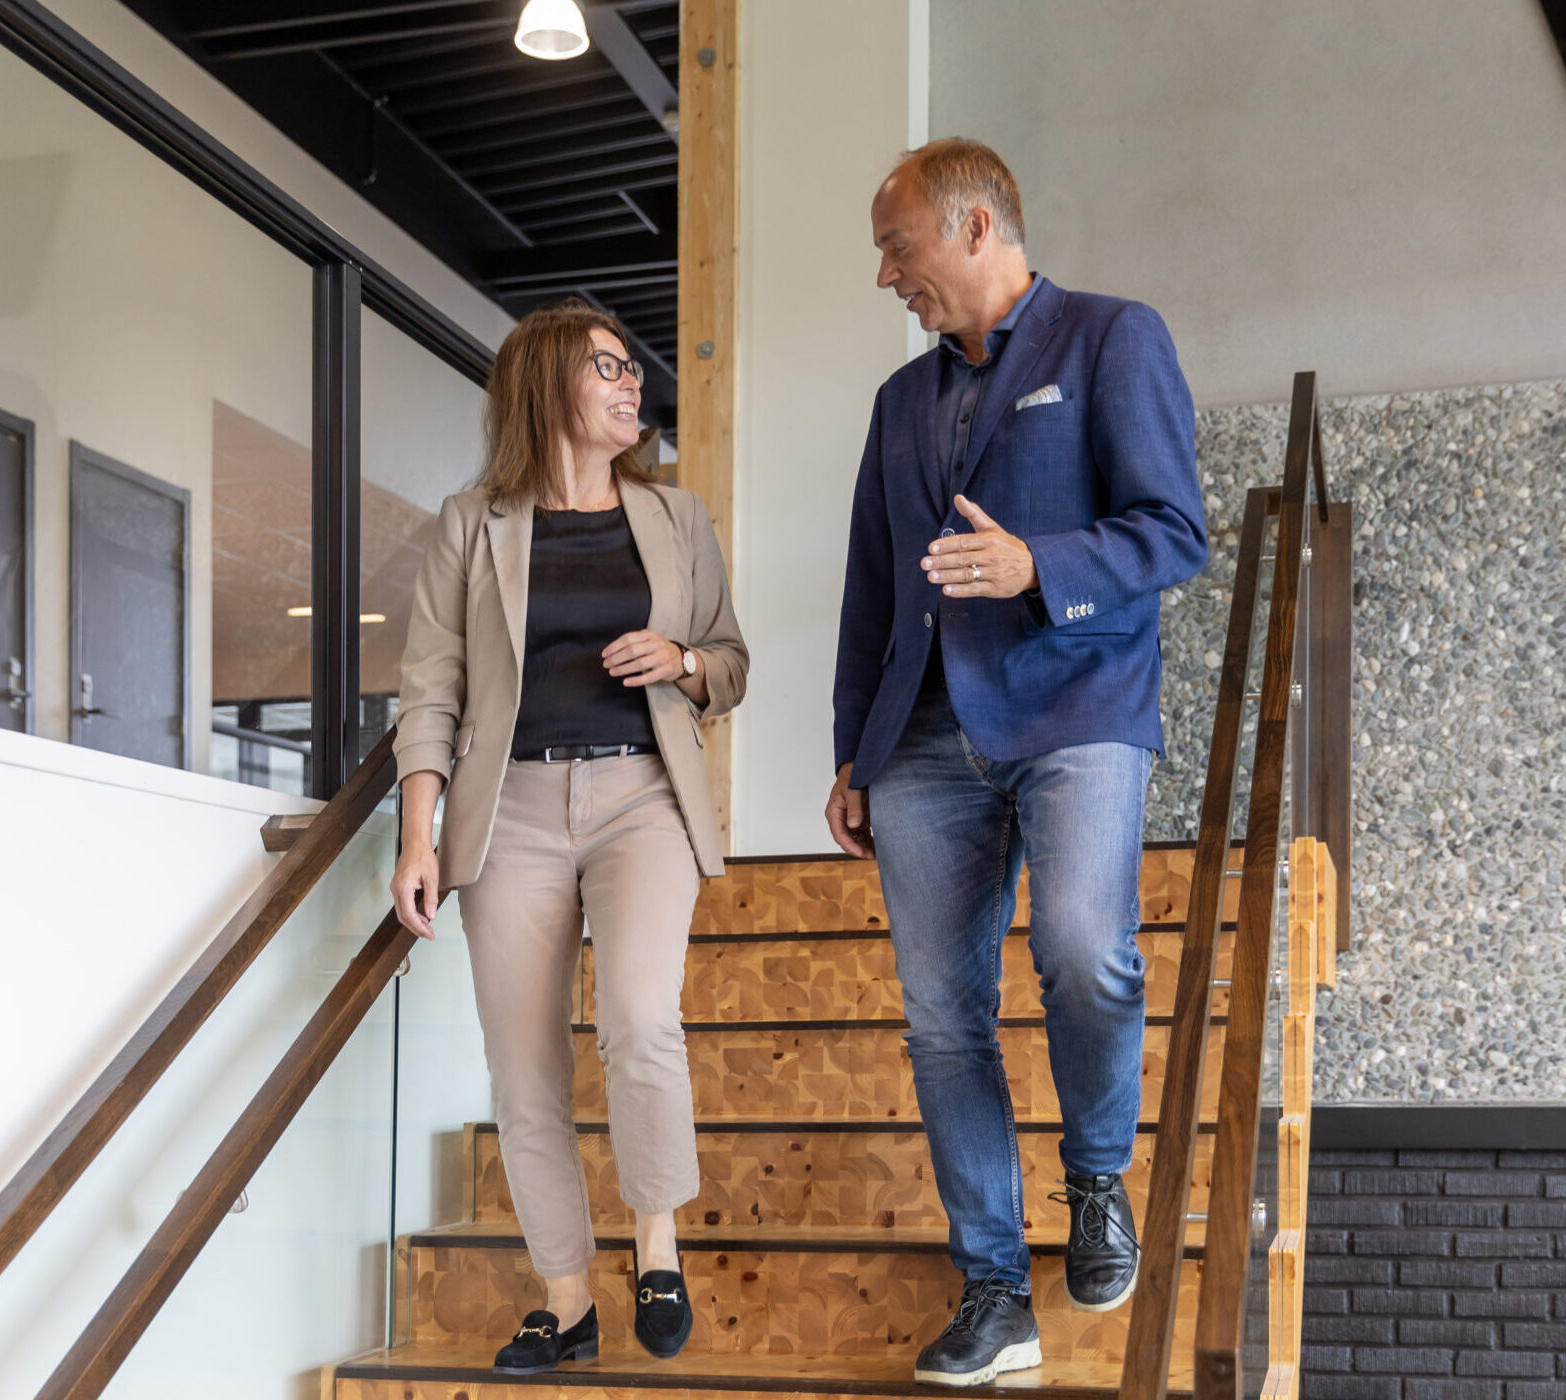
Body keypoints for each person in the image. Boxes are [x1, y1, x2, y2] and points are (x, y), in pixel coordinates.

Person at [825, 139, 1208, 1387]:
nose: (886, 274)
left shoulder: (1111, 338)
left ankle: (1097, 1179)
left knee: (1083, 946)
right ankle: (992, 1286)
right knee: (943, 1018)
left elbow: (1173, 530)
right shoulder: (897, 404)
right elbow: (870, 589)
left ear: (975, 224)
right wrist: (853, 752)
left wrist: (1038, 565)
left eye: (899, 246)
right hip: (923, 742)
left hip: (1077, 704)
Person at [390, 300, 748, 1374]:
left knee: (640, 1020)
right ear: (549, 383)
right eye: (608, 367)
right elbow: (430, 689)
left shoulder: (675, 519)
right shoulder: (470, 524)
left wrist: (679, 658)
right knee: (522, 1069)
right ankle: (563, 1296)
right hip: (511, 813)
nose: (632, 384)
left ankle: (655, 1240)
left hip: (643, 797)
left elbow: (728, 663)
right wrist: (419, 834)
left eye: (633, 369)